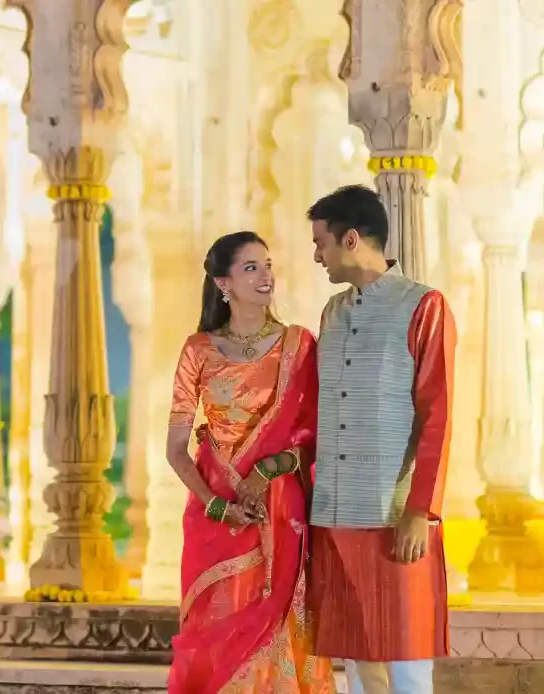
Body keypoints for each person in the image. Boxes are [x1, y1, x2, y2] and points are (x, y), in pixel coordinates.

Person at [166, 231, 335, 694]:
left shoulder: (299, 346)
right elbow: (176, 448)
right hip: (214, 514)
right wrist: (216, 505)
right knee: (217, 629)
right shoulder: (198, 350)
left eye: (268, 265)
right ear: (224, 284)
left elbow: (319, 432)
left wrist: (270, 468)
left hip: (279, 509)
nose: (266, 276)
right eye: (251, 268)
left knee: (279, 622)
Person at [305, 185, 456, 694]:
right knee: (356, 655)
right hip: (332, 511)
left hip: (394, 515)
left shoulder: (424, 307)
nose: (317, 255)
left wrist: (421, 510)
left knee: (407, 653)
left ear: (350, 239)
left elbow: (437, 416)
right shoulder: (331, 312)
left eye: (321, 243)